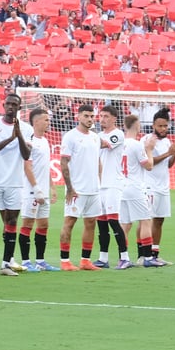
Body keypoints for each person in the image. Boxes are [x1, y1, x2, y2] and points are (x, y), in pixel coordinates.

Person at [0, 92, 32, 276]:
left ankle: (6, 263)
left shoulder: (26, 129)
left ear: (19, 108)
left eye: (15, 105)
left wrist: (19, 135)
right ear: (3, 106)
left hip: (15, 182)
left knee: (12, 221)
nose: (11, 107)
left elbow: (26, 155)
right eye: (9, 104)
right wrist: (10, 138)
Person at [59, 104, 104, 271]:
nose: (90, 119)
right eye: (86, 116)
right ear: (78, 117)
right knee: (69, 222)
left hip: (93, 189)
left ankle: (85, 260)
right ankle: (65, 261)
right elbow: (64, 163)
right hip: (77, 189)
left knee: (91, 222)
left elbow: (98, 161)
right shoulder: (70, 137)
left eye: (92, 116)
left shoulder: (95, 137)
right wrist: (69, 188)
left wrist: (99, 183)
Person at [18, 107, 58, 272]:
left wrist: (52, 187)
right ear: (36, 122)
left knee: (43, 225)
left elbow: (45, 167)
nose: (48, 122)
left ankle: (40, 261)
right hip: (31, 191)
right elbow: (27, 167)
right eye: (46, 120)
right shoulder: (30, 141)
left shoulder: (45, 141)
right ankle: (26, 261)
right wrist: (36, 189)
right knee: (28, 223)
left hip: (44, 191)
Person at [117, 115, 159, 268]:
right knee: (146, 220)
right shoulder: (136, 145)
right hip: (135, 187)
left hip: (121, 187)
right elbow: (148, 166)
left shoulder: (119, 144)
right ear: (136, 126)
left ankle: (124, 258)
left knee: (125, 224)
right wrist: (149, 150)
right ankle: (147, 257)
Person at [144, 109, 175, 266]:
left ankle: (155, 253)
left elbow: (169, 165)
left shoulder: (167, 141)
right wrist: (169, 153)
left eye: (165, 126)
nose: (163, 129)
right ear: (153, 125)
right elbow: (149, 162)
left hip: (164, 187)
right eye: (160, 126)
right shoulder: (148, 140)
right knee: (146, 221)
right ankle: (144, 254)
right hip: (150, 186)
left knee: (159, 220)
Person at [94, 105, 129, 268]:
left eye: (106, 116)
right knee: (101, 222)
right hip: (100, 184)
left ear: (114, 118)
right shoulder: (98, 135)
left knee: (113, 220)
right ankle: (103, 258)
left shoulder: (118, 134)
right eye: (101, 116)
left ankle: (125, 257)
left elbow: (103, 145)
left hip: (113, 183)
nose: (102, 119)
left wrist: (87, 136)